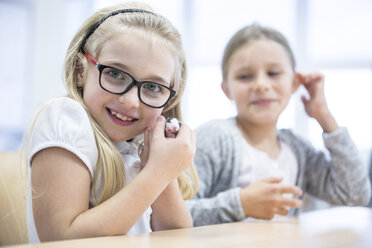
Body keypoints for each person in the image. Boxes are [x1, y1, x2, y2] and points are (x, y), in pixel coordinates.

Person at [24, 2, 198, 242]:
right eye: (115, 74)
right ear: (80, 70)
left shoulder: (142, 139)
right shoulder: (65, 117)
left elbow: (177, 236)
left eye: (152, 87)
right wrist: (158, 172)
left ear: (169, 96)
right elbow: (62, 239)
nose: (130, 101)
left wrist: (161, 165)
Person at [186, 24, 371, 226]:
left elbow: (356, 195)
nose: (261, 85)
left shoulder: (298, 150)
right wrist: (240, 204)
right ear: (227, 89)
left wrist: (325, 117)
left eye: (273, 73)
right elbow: (176, 215)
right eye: (245, 76)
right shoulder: (214, 138)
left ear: (294, 83)